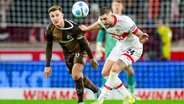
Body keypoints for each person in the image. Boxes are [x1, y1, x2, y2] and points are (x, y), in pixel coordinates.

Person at [79, 7, 149, 104]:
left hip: (133, 48)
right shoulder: (102, 21)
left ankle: (100, 100)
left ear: (112, 16)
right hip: (120, 46)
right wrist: (87, 29)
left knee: (114, 70)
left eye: (105, 19)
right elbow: (98, 24)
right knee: (105, 73)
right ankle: (128, 97)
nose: (103, 22)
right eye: (102, 19)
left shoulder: (125, 22)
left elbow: (139, 33)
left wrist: (142, 36)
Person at [43, 5, 101, 104]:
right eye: (52, 16)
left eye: (57, 15)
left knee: (75, 74)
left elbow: (85, 43)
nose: (55, 18)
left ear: (62, 15)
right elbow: (49, 46)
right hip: (67, 54)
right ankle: (97, 90)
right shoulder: (50, 29)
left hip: (80, 50)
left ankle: (80, 102)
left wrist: (91, 58)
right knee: (78, 76)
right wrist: (47, 66)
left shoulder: (73, 28)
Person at [95, 0, 136, 95]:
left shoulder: (125, 20)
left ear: (122, 7)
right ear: (112, 7)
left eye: (118, 5)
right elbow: (101, 32)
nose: (116, 7)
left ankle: (132, 93)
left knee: (130, 72)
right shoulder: (106, 20)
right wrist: (98, 46)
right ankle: (102, 92)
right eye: (115, 5)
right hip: (111, 50)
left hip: (124, 50)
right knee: (106, 72)